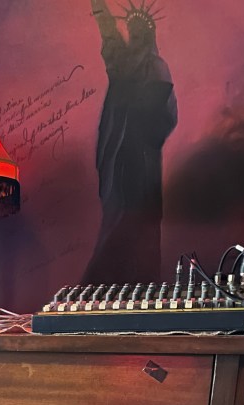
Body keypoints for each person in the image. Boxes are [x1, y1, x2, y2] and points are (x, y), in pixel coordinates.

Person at [83, 0, 177, 284]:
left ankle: (135, 285)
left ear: (149, 36)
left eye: (140, 31)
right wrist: (98, 5)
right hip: (116, 148)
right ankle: (103, 286)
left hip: (141, 155)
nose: (135, 35)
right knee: (116, 213)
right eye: (132, 30)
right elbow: (109, 34)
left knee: (136, 220)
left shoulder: (156, 66)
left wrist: (141, 113)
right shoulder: (122, 63)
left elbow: (164, 113)